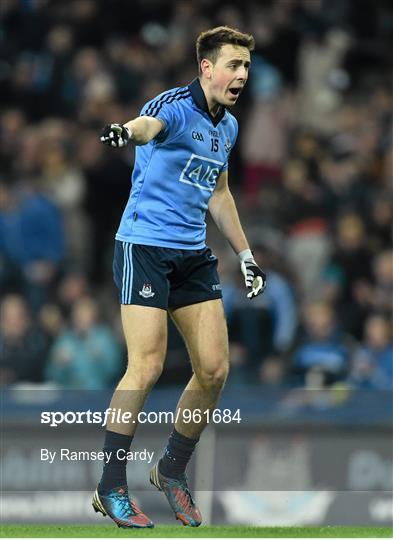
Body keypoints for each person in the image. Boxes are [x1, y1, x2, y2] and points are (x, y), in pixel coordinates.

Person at [92, 26, 266, 529]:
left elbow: (220, 194)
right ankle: (110, 487)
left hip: (192, 253)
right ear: (207, 68)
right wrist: (126, 132)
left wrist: (247, 256)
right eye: (234, 65)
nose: (242, 75)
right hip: (144, 246)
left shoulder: (228, 127)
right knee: (144, 367)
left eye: (247, 67)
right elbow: (149, 126)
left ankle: (171, 470)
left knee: (214, 370)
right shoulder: (172, 104)